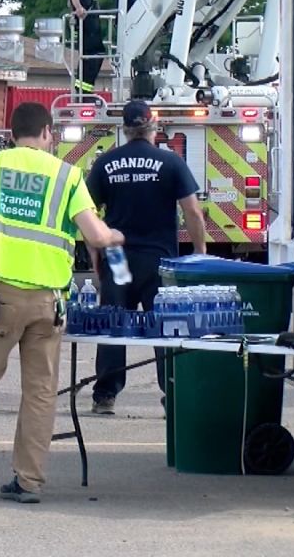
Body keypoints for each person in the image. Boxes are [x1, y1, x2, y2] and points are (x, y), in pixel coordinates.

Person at [0, 101, 124, 504]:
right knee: (41, 391)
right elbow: (94, 236)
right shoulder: (67, 176)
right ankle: (28, 482)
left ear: (12, 134)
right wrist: (114, 236)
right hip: (49, 302)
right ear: (47, 133)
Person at [87, 99, 206, 415]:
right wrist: (200, 254)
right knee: (166, 329)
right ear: (154, 127)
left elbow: (85, 214)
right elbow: (193, 211)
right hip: (159, 262)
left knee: (114, 326)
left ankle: (105, 396)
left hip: (117, 260)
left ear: (125, 129)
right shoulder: (170, 162)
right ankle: (173, 394)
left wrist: (95, 261)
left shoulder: (106, 163)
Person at [68, 0, 104, 95]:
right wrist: (79, 9)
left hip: (90, 29)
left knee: (93, 57)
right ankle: (83, 93)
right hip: (86, 29)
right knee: (93, 56)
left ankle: (85, 92)